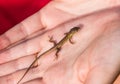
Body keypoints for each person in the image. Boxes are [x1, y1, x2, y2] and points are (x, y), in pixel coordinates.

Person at [0, 0, 120, 84]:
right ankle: (56, 54)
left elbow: (67, 36)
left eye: (76, 30)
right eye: (76, 30)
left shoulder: (69, 34)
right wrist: (59, 51)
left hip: (55, 43)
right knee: (57, 49)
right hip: (56, 46)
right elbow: (70, 40)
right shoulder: (70, 36)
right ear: (73, 32)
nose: (77, 30)